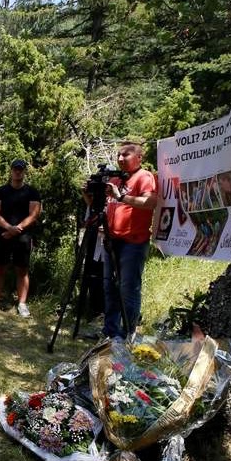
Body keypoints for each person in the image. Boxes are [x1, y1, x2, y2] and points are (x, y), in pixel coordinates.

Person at [82, 142, 157, 338]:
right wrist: (88, 197)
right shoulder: (115, 178)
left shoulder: (144, 176)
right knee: (109, 286)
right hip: (110, 239)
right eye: (118, 155)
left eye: (126, 155)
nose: (121, 159)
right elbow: (106, 205)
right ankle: (110, 332)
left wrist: (122, 196)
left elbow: (150, 202)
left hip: (133, 242)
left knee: (128, 288)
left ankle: (127, 334)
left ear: (139, 157)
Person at [0, 159, 42, 318]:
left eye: (21, 169)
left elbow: (34, 215)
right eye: (15, 169)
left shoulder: (32, 192)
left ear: (24, 171)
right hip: (2, 234)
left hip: (23, 236)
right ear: (11, 171)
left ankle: (22, 303)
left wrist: (16, 230)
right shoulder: (0, 191)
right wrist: (8, 228)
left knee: (22, 270)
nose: (18, 172)